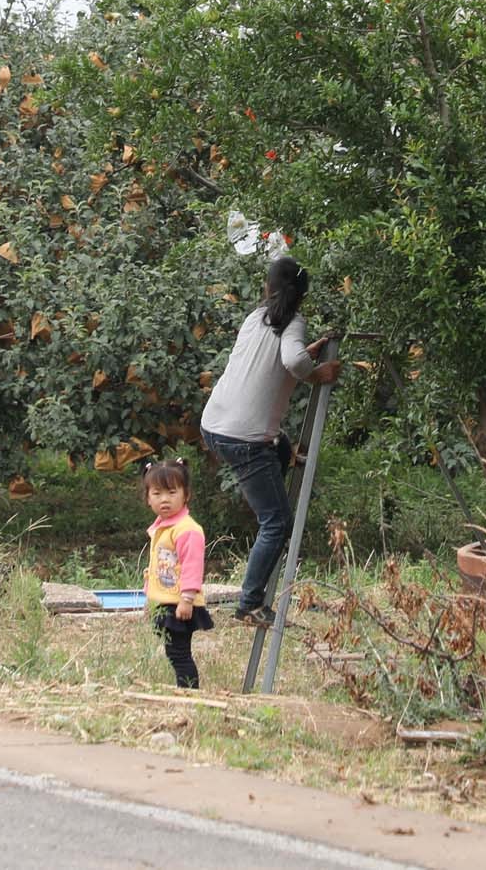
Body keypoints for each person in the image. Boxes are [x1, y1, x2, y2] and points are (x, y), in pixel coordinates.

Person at [197, 254, 341, 627]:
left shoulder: (254, 319)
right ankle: (249, 604)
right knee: (277, 521)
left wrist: (305, 358)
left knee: (279, 445)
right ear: (301, 297)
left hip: (214, 425)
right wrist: (317, 372)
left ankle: (276, 467)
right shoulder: (294, 322)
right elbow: (293, 364)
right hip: (244, 440)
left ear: (268, 287)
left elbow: (276, 362)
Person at [141, 460, 212, 688]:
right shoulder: (164, 526)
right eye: (157, 493)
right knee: (174, 652)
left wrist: (187, 600)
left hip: (180, 602)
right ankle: (185, 690)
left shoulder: (187, 529)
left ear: (186, 495)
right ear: (148, 498)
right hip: (166, 601)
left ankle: (190, 693)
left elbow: (192, 567)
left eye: (172, 492)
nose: (165, 499)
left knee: (180, 654)